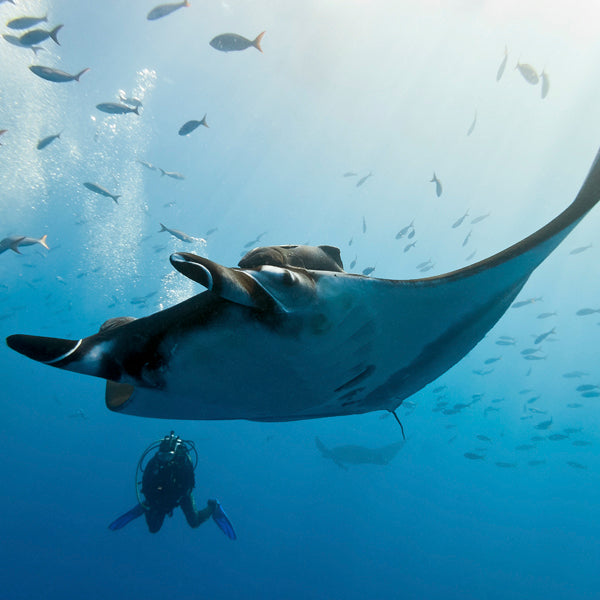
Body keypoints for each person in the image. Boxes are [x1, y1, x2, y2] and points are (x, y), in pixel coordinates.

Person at [109, 432, 236, 539]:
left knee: (194, 522)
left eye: (168, 456)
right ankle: (146, 506)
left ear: (174, 455)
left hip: (181, 495)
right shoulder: (154, 463)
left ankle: (213, 506)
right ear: (158, 454)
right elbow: (146, 484)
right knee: (153, 528)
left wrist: (175, 497)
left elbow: (189, 485)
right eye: (162, 456)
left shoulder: (183, 464)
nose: (164, 459)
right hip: (160, 496)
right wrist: (153, 499)